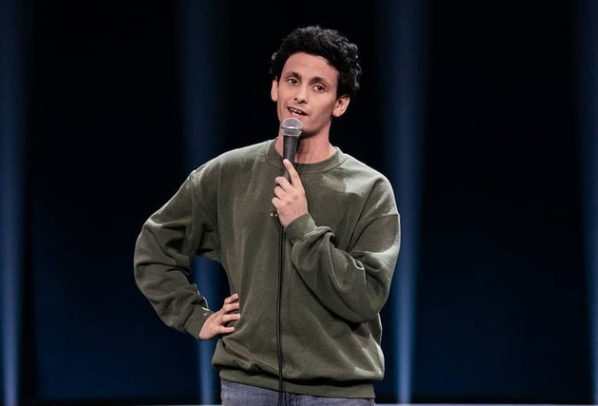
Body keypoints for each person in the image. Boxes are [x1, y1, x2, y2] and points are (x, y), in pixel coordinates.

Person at [134, 25, 401, 405]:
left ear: (340, 104)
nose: (300, 95)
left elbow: (365, 297)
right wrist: (194, 316)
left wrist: (302, 227)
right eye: (292, 80)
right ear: (275, 87)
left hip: (336, 393)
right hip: (247, 387)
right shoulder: (227, 173)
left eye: (318, 87)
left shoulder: (369, 189)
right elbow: (155, 247)